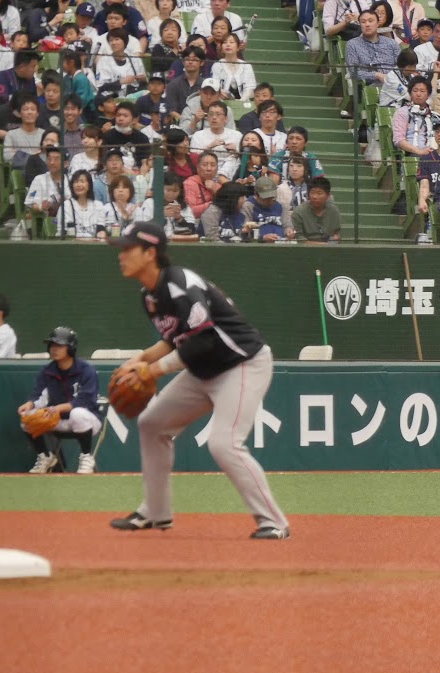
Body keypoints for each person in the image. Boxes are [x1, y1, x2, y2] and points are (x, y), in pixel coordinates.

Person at [105, 222, 290, 539]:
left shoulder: (180, 284)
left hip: (241, 364)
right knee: (152, 424)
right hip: (204, 368)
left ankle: (274, 523)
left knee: (224, 443)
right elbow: (175, 340)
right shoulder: (150, 295)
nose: (121, 255)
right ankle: (155, 512)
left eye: (127, 249)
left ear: (150, 253)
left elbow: (203, 340)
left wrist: (152, 371)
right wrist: (140, 360)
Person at [18, 327, 101, 474]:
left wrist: (59, 408)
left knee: (77, 413)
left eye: (59, 345)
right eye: (52, 345)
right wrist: (30, 404)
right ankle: (45, 456)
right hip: (58, 420)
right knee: (27, 418)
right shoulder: (47, 371)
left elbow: (86, 401)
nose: (54, 349)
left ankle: (86, 456)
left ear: (71, 348)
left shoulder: (86, 370)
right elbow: (39, 396)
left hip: (88, 421)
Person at [292, 176, 341, 242]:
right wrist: (323, 245)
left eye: (319, 193)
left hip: (329, 247)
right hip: (306, 248)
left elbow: (336, 234)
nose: (315, 197)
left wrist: (335, 238)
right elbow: (299, 239)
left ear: (328, 196)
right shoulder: (299, 212)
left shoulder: (334, 211)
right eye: (312, 193)